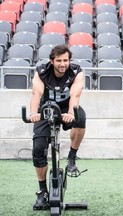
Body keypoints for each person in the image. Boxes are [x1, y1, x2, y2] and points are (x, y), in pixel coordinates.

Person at [29, 44, 86, 210]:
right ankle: (42, 192)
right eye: (59, 61)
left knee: (80, 118)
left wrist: (70, 113)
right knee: (38, 149)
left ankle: (72, 157)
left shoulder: (76, 71)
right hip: (45, 109)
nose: (63, 64)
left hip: (66, 108)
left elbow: (75, 94)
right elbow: (36, 93)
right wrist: (33, 113)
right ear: (51, 61)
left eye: (66, 60)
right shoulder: (41, 72)